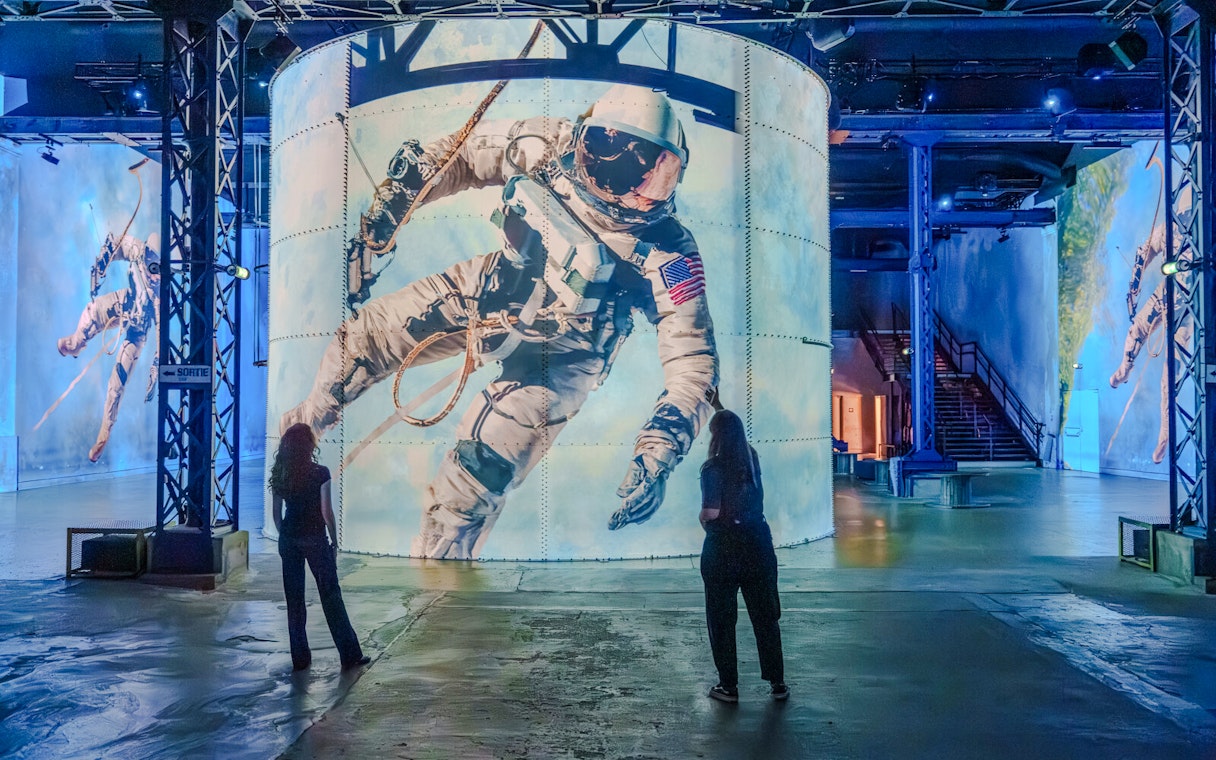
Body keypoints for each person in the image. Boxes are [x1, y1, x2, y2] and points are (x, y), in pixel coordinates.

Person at [280, 83, 719, 559]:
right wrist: (397, 200)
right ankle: (300, 436)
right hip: (492, 289)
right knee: (366, 338)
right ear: (601, 151)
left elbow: (692, 363)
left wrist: (658, 451)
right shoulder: (547, 148)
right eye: (639, 172)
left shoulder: (667, 251)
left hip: (567, 355)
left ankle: (439, 578)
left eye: (663, 174)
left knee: (475, 476)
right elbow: (463, 157)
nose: (645, 194)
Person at [698, 409, 787, 703]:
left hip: (723, 549)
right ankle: (777, 684)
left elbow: (711, 512)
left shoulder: (712, 469)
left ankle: (729, 686)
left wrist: (705, 522)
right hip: (758, 546)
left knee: (722, 619)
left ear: (716, 436)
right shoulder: (751, 460)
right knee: (765, 617)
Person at [270, 423, 370, 672]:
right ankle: (350, 655)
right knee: (330, 596)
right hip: (315, 539)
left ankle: (300, 659)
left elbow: (276, 515)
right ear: (309, 446)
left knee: (295, 600)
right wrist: (334, 541)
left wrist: (287, 536)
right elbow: (327, 513)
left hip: (289, 539)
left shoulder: (280, 473)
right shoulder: (320, 473)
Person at [57, 232, 160, 462]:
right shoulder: (140, 251)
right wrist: (101, 265)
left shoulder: (162, 292)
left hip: (138, 331)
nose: (153, 272)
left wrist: (155, 371)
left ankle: (104, 434)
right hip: (124, 302)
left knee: (116, 383)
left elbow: (162, 340)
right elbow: (116, 243)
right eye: (151, 262)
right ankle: (75, 343)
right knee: (92, 310)